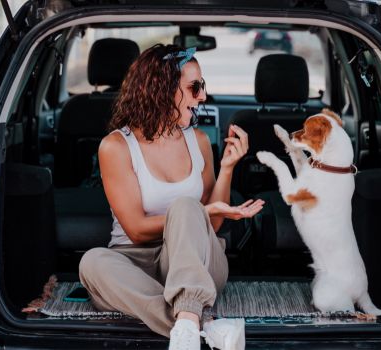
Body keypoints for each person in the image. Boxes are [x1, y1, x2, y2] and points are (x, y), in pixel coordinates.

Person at [79, 44, 264, 350]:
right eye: (195, 87)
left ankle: (188, 318)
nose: (203, 96)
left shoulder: (200, 141)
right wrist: (197, 212)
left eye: (202, 87)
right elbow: (136, 230)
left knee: (186, 207)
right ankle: (198, 325)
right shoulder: (116, 146)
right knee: (91, 262)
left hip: (197, 264)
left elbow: (212, 225)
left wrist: (228, 167)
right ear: (161, 89)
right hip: (135, 264)